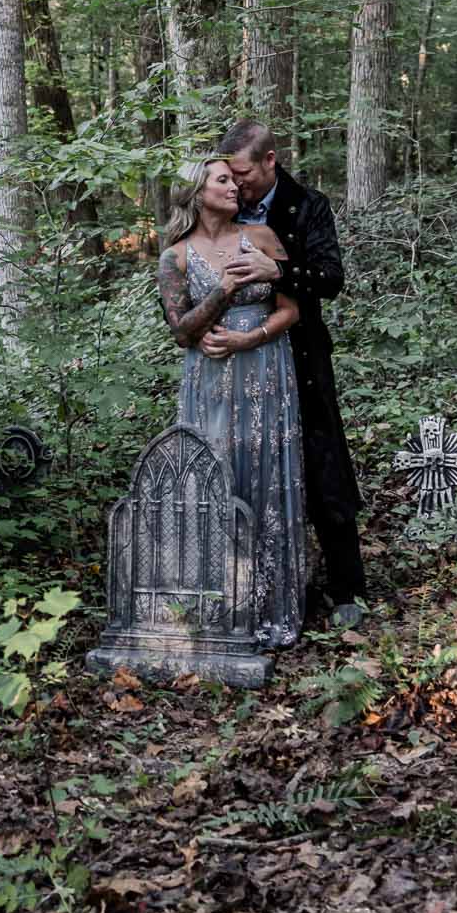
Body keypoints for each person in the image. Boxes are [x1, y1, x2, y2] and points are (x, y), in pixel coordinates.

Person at [217, 119, 368, 624]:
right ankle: (264, 585)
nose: (238, 185)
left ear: (269, 160)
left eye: (244, 175)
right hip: (240, 363)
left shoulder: (308, 206)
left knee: (321, 461)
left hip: (300, 356)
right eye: (230, 176)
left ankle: (348, 588)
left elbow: (330, 278)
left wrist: (278, 271)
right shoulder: (222, 203)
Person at [157, 154, 308, 643]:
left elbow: (292, 309)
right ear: (197, 192)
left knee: (265, 476)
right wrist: (223, 289)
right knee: (217, 475)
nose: (233, 186)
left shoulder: (262, 238)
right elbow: (182, 331)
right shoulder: (175, 256)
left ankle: (269, 604)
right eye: (222, 180)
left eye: (232, 179)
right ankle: (217, 604)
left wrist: (251, 337)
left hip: (266, 369)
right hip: (210, 381)